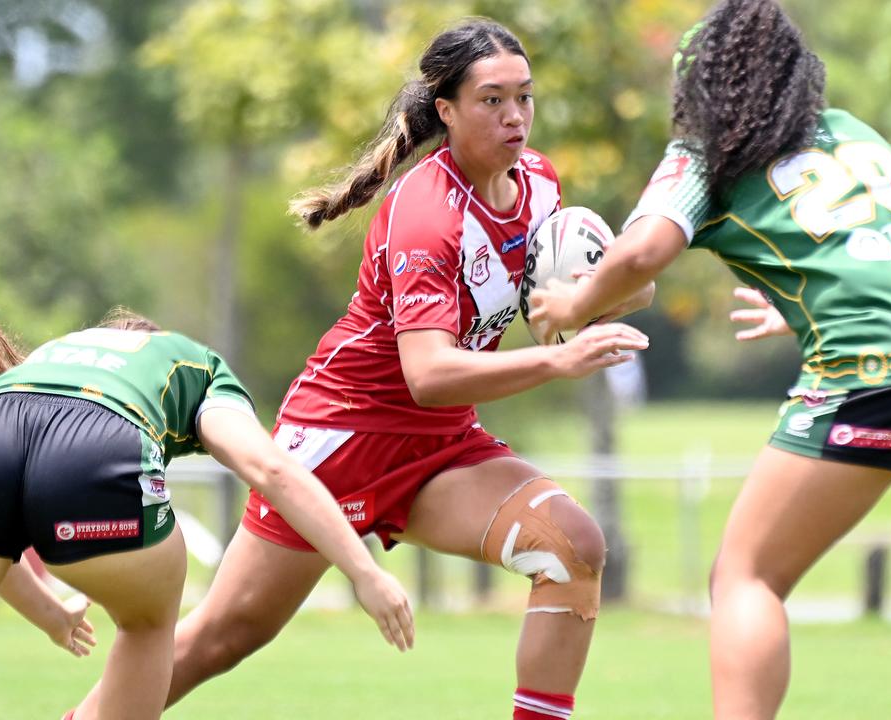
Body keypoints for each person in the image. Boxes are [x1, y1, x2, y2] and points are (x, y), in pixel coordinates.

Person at [72, 18, 652, 720]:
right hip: (338, 441)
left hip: (440, 444)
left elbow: (564, 296)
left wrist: (609, 285)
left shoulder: (540, 185)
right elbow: (428, 374)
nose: (515, 117)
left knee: (571, 546)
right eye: (492, 100)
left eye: (524, 98)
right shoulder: (427, 211)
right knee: (223, 639)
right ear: (446, 110)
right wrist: (559, 359)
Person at [527, 1, 891, 718]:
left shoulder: (708, 154)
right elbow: (881, 247)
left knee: (745, 578)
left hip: (882, 362)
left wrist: (570, 308)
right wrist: (810, 308)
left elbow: (641, 253)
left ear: (699, 88)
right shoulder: (850, 132)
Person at [0, 265, 413, 720]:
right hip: (98, 443)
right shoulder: (194, 364)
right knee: (149, 623)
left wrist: (51, 613)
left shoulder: (56, 352)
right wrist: (365, 574)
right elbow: (270, 468)